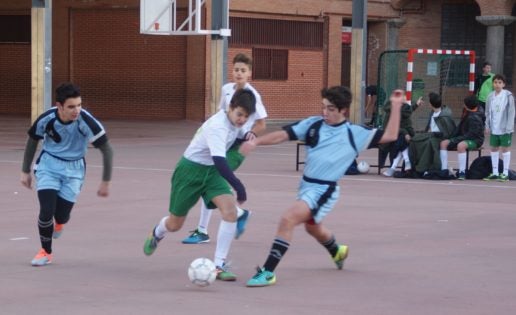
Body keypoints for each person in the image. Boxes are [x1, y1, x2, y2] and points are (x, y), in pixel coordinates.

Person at [239, 86, 405, 287]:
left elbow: (390, 135)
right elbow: (283, 135)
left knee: (287, 219)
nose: (324, 112)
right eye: (323, 107)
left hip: (323, 190)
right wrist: (256, 142)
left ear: (343, 110)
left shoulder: (355, 134)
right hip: (306, 186)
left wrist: (396, 106)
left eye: (331, 109)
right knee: (313, 228)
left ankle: (267, 272)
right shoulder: (313, 125)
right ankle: (337, 251)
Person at [143, 89, 256, 281]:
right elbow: (221, 162)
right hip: (190, 172)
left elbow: (238, 137)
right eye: (239, 114)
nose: (242, 120)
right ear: (230, 108)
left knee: (229, 212)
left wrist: (247, 136)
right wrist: (239, 186)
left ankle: (219, 265)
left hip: (211, 173)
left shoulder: (237, 122)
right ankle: (157, 232)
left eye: (246, 116)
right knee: (175, 223)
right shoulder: (217, 127)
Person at [20, 83, 113, 266]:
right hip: (49, 166)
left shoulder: (86, 121)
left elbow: (107, 150)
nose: (76, 110)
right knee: (46, 210)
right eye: (71, 106)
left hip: (74, 169)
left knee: (61, 215)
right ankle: (45, 251)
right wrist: (25, 171)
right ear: (60, 105)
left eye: (79, 105)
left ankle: (60, 222)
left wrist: (106, 181)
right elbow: (32, 140)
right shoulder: (47, 119)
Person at [181, 53, 268, 245]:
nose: (239, 73)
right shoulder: (227, 89)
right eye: (236, 69)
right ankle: (217, 223)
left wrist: (252, 133)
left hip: (237, 144)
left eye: (243, 70)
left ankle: (208, 228)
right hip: (225, 141)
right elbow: (222, 112)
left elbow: (262, 123)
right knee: (210, 181)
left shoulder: (254, 96)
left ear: (249, 74)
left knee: (212, 180)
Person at [408, 92, 456, 176]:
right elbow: (430, 127)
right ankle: (414, 165)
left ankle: (424, 167)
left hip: (440, 138)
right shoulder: (432, 113)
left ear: (431, 104)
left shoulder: (445, 115)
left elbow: (448, 132)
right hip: (430, 135)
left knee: (429, 143)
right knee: (414, 140)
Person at [439, 95, 485, 180]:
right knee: (443, 143)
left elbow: (471, 135)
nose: (463, 105)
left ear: (467, 106)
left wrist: (454, 140)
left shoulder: (475, 117)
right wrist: (450, 138)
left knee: (461, 145)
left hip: (476, 140)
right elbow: (460, 128)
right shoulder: (467, 112)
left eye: (464, 104)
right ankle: (444, 170)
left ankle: (462, 172)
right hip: (464, 137)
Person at [483, 74, 515, 181]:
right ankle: (495, 172)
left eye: (500, 82)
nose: (497, 84)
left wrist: (509, 127)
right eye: (495, 82)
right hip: (494, 127)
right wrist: (487, 125)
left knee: (505, 149)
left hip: (505, 128)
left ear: (504, 84)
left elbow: (511, 112)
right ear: (493, 84)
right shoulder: (490, 96)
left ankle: (505, 173)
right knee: (494, 148)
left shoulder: (508, 96)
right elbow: (487, 112)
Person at [380, 96, 415, 177]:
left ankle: (393, 167)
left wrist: (406, 133)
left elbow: (408, 113)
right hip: (393, 136)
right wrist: (405, 132)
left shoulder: (403, 111)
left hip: (404, 135)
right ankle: (406, 161)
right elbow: (390, 128)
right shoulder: (395, 113)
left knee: (401, 141)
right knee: (401, 140)